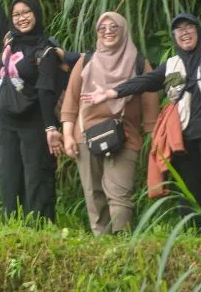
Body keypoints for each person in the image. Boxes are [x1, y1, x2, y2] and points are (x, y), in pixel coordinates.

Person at [82, 4, 201, 235]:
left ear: (198, 31)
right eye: (178, 29)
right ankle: (196, 237)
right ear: (175, 37)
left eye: (189, 27)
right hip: (183, 141)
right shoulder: (172, 64)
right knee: (189, 194)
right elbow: (144, 82)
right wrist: (110, 93)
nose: (184, 32)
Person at [60, 12, 160, 235]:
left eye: (113, 27)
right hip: (86, 135)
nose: (107, 32)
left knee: (120, 193)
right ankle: (102, 241)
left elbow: (150, 103)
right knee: (93, 193)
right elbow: (71, 102)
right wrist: (67, 135)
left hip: (125, 135)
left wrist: (153, 138)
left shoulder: (138, 63)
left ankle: (122, 244)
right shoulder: (85, 62)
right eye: (102, 28)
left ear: (123, 30)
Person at [0, 0, 61, 222]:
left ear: (36, 14)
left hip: (33, 120)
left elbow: (46, 90)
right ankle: (12, 227)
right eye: (16, 14)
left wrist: (51, 127)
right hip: (6, 119)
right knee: (8, 175)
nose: (21, 18)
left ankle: (39, 227)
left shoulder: (46, 48)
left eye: (27, 12)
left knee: (36, 177)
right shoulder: (9, 37)